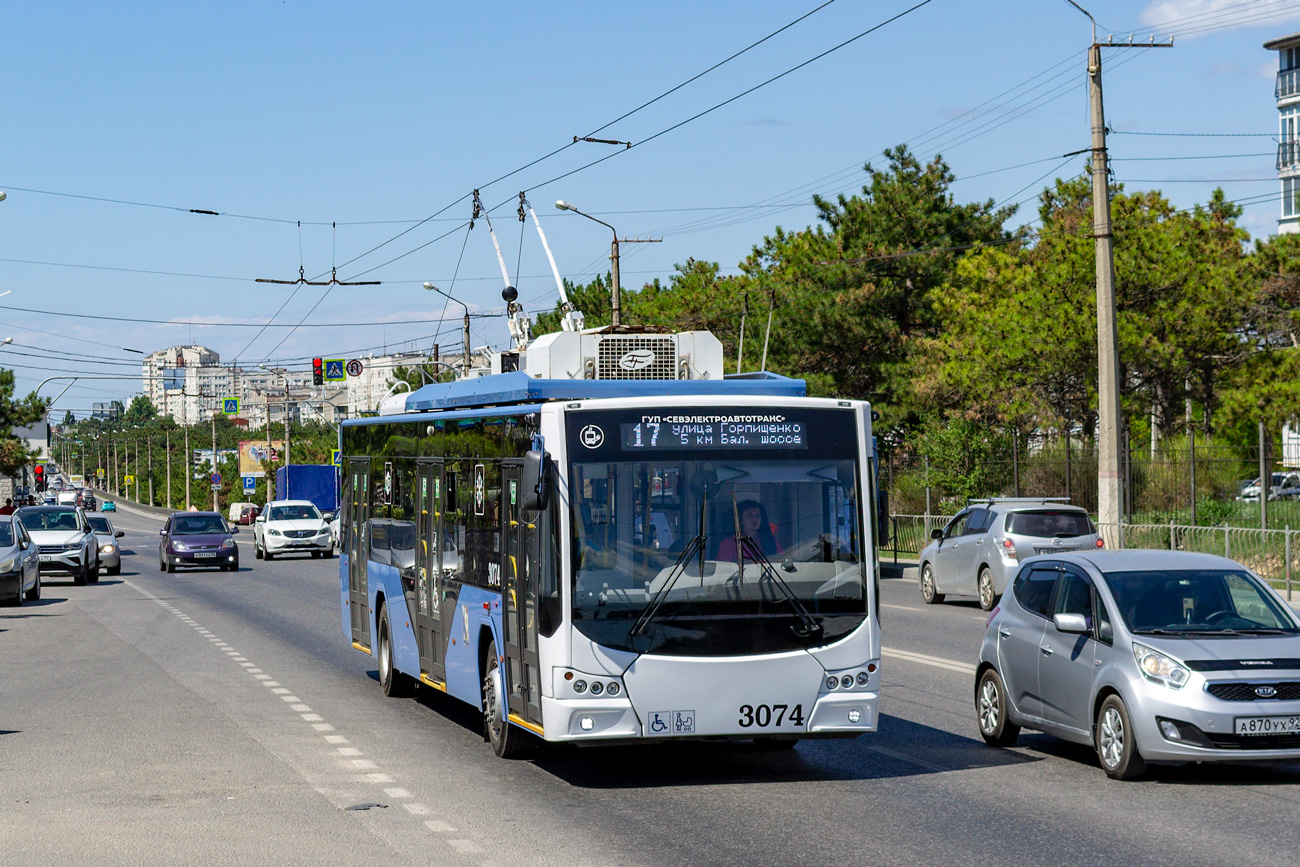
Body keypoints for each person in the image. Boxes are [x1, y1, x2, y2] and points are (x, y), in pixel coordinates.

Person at [715, 500, 782, 560]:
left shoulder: (770, 540)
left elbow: (780, 559)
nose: (754, 518)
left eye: (757, 515)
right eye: (749, 515)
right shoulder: (729, 543)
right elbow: (726, 568)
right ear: (741, 520)